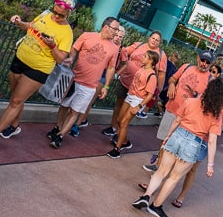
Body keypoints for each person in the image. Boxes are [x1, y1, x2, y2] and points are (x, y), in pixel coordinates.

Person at [0, 0, 75, 150]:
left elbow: (60, 59)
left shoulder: (67, 33)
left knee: (16, 101)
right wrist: (19, 22)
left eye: (61, 13)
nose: (57, 15)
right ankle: (15, 126)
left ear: (68, 12)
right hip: (20, 59)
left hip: (38, 69)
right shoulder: (45, 14)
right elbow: (30, 27)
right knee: (16, 98)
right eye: (56, 10)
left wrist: (52, 45)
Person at [132, 78, 223, 217]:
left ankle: (146, 195)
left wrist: (168, 136)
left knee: (161, 171)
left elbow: (177, 120)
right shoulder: (216, 115)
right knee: (174, 177)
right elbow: (212, 140)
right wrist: (210, 164)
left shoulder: (190, 101)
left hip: (177, 135)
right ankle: (156, 206)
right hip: (194, 143)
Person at [47, 17, 120, 149]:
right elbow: (74, 49)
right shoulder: (87, 36)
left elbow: (110, 68)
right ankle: (58, 127)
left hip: (90, 86)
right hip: (74, 80)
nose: (116, 32)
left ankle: (60, 135)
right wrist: (71, 59)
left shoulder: (114, 48)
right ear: (106, 27)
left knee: (75, 112)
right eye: (115, 29)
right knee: (64, 106)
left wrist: (106, 86)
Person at [102, 31, 167, 145]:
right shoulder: (138, 45)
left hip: (140, 91)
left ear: (159, 42)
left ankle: (120, 135)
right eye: (153, 38)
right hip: (126, 82)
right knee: (118, 106)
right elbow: (124, 52)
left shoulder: (161, 55)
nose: (154, 41)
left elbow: (161, 74)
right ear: (149, 38)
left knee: (126, 118)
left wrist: (158, 90)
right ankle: (113, 128)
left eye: (157, 40)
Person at [106, 50, 158, 159]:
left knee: (124, 123)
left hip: (138, 100)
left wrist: (139, 106)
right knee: (119, 120)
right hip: (130, 96)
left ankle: (117, 149)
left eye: (145, 56)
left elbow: (150, 95)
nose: (143, 57)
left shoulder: (152, 76)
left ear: (151, 60)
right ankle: (125, 141)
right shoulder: (142, 69)